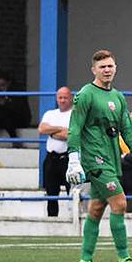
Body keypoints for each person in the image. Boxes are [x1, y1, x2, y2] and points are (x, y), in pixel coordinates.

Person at [66, 49, 132, 262]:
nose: (107, 70)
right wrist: (73, 158)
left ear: (115, 68)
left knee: (96, 209)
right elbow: (74, 128)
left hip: (112, 160)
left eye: (110, 66)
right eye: (102, 67)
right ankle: (124, 260)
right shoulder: (86, 94)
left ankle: (85, 261)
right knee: (120, 203)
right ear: (94, 70)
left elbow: (128, 129)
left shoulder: (118, 97)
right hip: (95, 160)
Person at [38, 86, 73, 217]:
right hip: (51, 158)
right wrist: (60, 129)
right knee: (51, 193)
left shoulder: (75, 115)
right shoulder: (50, 114)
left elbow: (71, 135)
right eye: (60, 97)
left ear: (71, 99)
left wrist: (52, 132)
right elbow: (42, 129)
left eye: (65, 97)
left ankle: (73, 219)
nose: (62, 100)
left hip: (68, 159)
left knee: (73, 192)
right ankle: (52, 220)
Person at [0, 71, 31, 147]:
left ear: (9, 83)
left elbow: (20, 108)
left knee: (3, 113)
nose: (1, 87)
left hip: (18, 118)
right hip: (2, 120)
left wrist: (6, 103)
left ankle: (15, 140)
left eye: (3, 85)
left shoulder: (17, 91)